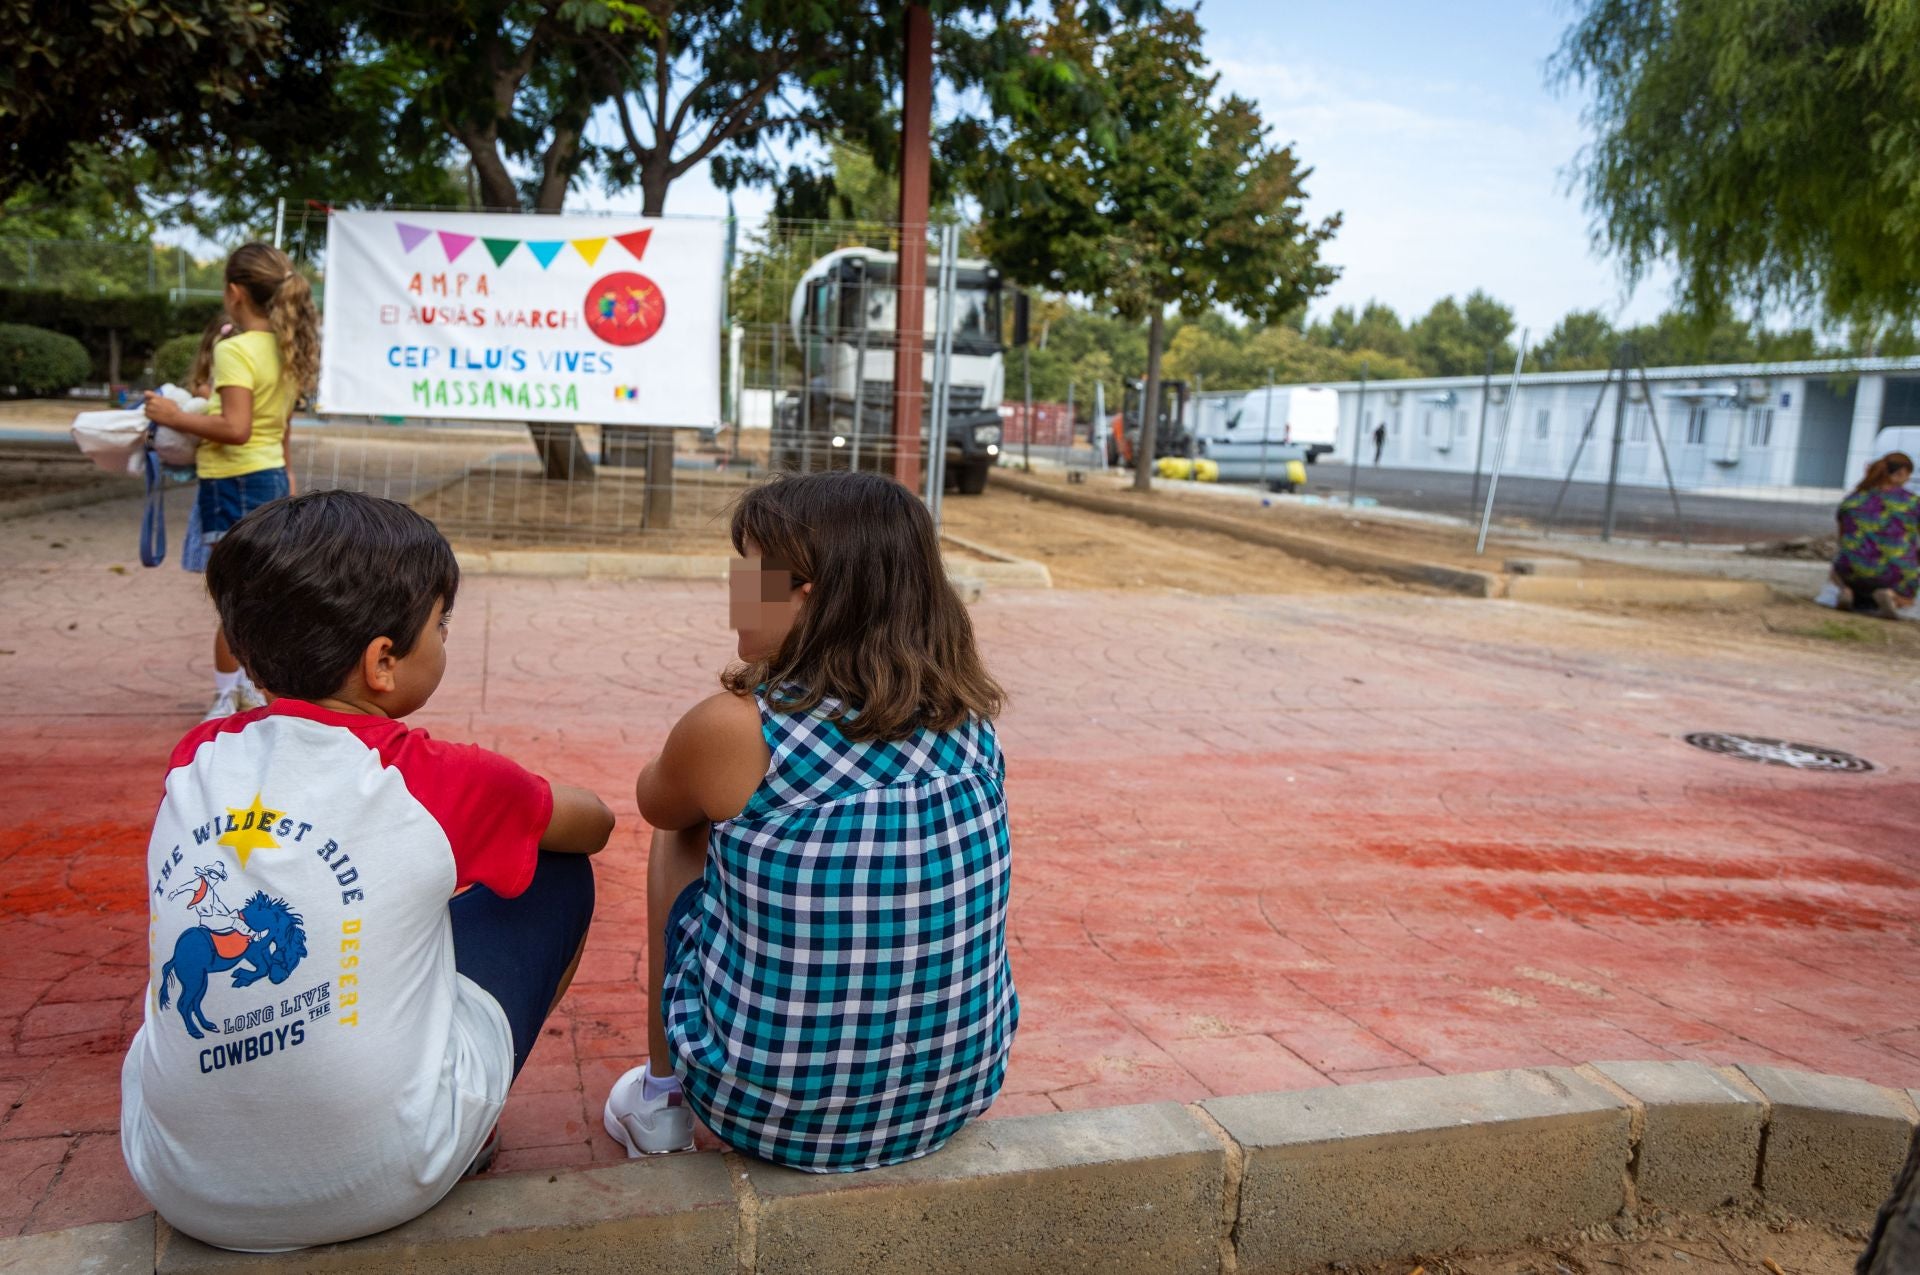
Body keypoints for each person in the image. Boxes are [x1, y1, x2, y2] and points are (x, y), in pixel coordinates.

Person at [120, 491, 615, 1252]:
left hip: (178, 1182)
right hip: (388, 1173)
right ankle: (467, 1130)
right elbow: (596, 822)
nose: (446, 639)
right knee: (558, 873)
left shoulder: (196, 756)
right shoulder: (437, 777)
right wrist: (507, 800)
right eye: (441, 626)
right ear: (383, 661)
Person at [603, 471, 1017, 1171]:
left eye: (750, 571)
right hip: (958, 1092)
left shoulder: (740, 732)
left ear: (812, 592)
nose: (736, 589)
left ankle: (661, 1097)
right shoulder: (970, 725)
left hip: (765, 1111)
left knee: (684, 830)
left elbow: (654, 800)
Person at [142, 243, 319, 720]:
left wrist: (173, 414)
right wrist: (288, 476)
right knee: (263, 593)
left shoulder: (235, 349)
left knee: (237, 599)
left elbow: (235, 429)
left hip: (233, 482)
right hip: (269, 478)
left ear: (235, 292)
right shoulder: (287, 347)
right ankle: (256, 691)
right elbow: (276, 427)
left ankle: (228, 696)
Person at [1829, 451, 1917, 619]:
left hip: (1851, 570)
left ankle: (1846, 590)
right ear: (1902, 473)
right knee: (1907, 572)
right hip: (1895, 574)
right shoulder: (1912, 502)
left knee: (1841, 565)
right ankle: (1894, 598)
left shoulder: (1853, 499)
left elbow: (1843, 539)